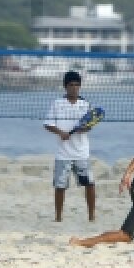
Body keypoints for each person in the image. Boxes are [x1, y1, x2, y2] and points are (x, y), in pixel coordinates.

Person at [43, 70, 96, 222]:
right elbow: (48, 124)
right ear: (65, 86)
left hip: (82, 153)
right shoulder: (57, 104)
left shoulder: (85, 104)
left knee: (89, 184)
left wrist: (85, 128)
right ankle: (58, 217)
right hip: (63, 154)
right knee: (60, 186)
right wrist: (60, 132)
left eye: (77, 85)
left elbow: (90, 125)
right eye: (71, 85)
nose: (74, 88)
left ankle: (91, 216)